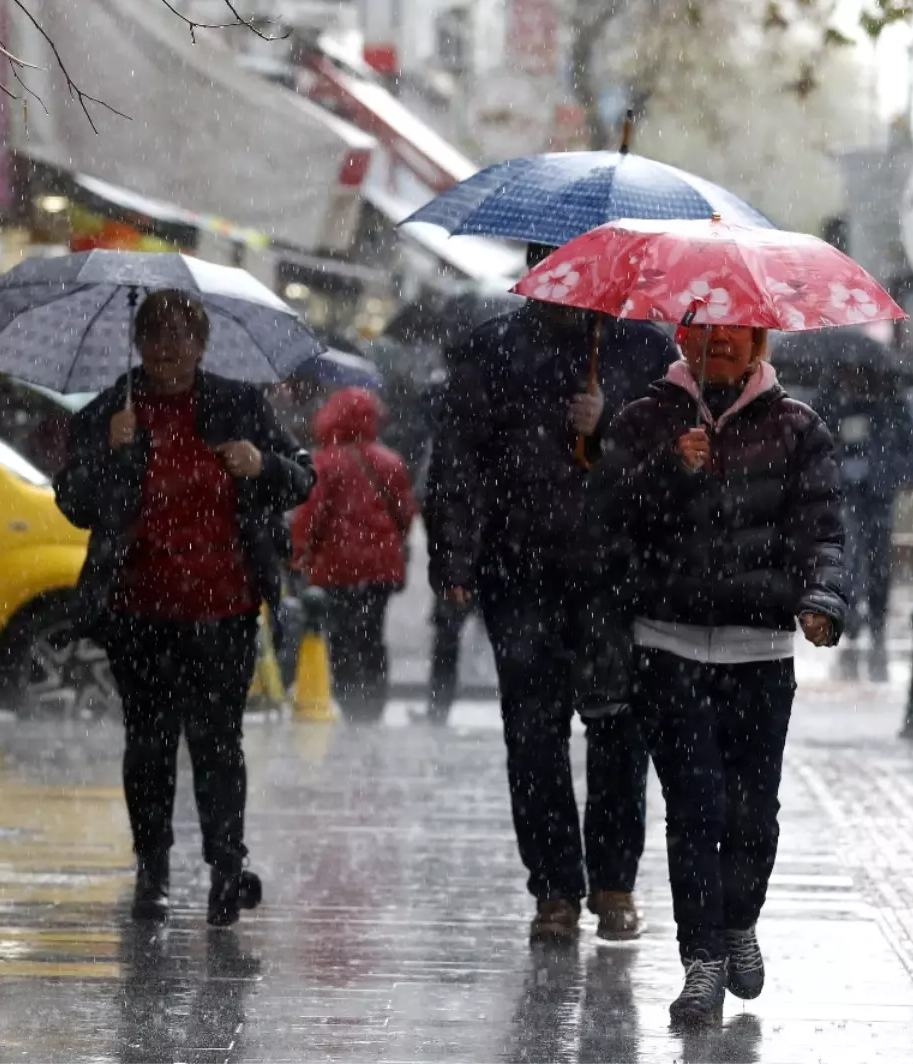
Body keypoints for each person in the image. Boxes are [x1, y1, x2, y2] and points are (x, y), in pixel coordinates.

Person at [426, 243, 678, 942]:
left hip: (616, 575)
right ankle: (554, 889)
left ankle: (615, 882)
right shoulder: (491, 351)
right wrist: (454, 558)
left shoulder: (641, 351)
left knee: (618, 729)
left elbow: (673, 463)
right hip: (521, 570)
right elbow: (457, 461)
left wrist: (613, 424)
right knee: (533, 735)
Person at [599, 323, 846, 1023]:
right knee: (694, 810)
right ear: (683, 335)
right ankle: (702, 960)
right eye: (705, 330)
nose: (720, 344)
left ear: (758, 341)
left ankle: (739, 920)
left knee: (751, 815)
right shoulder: (645, 419)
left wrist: (821, 601)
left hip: (759, 654)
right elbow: (607, 517)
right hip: (667, 646)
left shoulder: (799, 428)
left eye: (736, 333)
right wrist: (669, 470)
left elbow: (822, 530)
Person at [53, 289, 314, 927]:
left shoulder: (238, 403)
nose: (170, 347)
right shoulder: (111, 410)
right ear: (138, 342)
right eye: (157, 334)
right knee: (149, 744)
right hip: (137, 607)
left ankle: (227, 870)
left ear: (202, 343)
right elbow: (74, 502)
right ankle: (154, 871)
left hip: (223, 607)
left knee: (219, 744)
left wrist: (263, 464)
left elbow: (302, 478)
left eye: (183, 334)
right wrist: (110, 453)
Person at [291, 387, 417, 723]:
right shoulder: (390, 461)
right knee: (373, 634)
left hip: (336, 567)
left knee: (342, 636)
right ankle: (373, 702)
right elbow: (405, 515)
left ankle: (351, 702)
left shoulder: (324, 462)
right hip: (380, 569)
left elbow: (310, 515)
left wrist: (300, 553)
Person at [814, 365, 913, 681]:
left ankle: (876, 619)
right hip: (843, 496)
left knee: (878, 560)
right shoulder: (829, 403)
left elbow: (911, 451)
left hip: (878, 498)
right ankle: (850, 616)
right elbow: (812, 445)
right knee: (846, 557)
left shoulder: (892, 407)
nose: (856, 379)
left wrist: (886, 472)